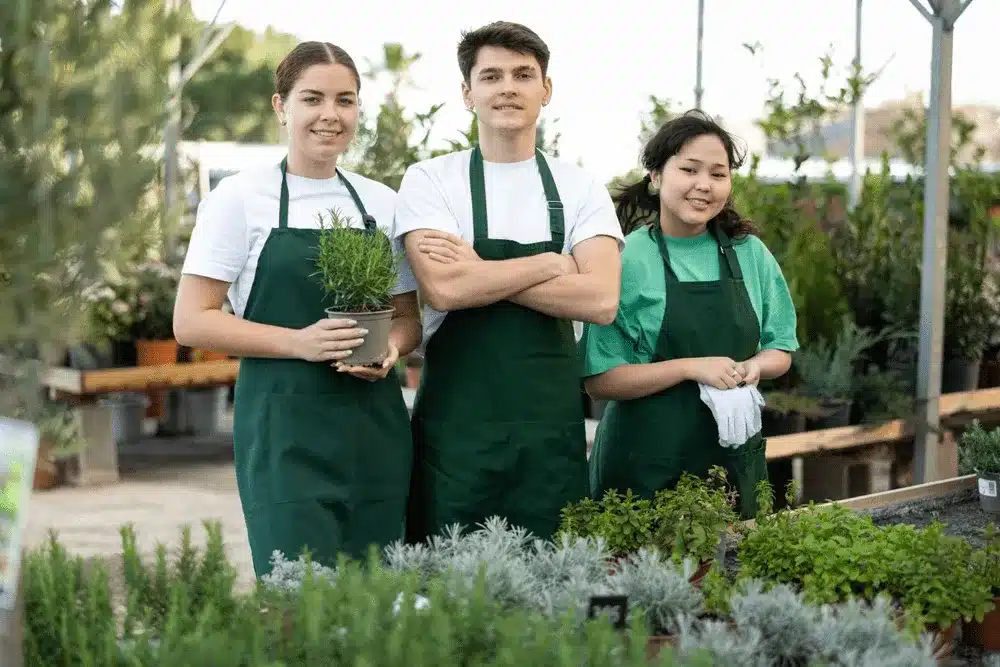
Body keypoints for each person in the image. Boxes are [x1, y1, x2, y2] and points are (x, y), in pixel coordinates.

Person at [172, 41, 421, 577]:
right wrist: (298, 342)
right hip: (284, 430)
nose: (331, 115)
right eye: (313, 98)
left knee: (378, 600)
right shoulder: (239, 198)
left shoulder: (383, 203)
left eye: (346, 100)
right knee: (297, 598)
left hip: (373, 429)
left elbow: (406, 318)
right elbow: (191, 320)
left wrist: (391, 350)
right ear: (280, 106)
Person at [393, 21, 625, 543]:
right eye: (491, 75)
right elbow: (445, 290)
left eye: (524, 74)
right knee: (447, 582)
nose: (508, 88)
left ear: (546, 89)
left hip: (549, 436)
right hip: (457, 434)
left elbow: (602, 299)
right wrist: (551, 264)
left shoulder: (579, 185)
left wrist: (479, 270)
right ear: (467, 92)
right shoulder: (431, 179)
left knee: (553, 586)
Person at [581, 110, 799, 519]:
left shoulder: (750, 253)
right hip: (644, 465)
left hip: (732, 460)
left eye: (718, 174)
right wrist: (690, 368)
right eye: (689, 169)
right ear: (656, 176)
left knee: (732, 573)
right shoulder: (628, 258)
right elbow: (600, 380)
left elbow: (781, 347)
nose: (704, 185)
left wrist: (755, 366)